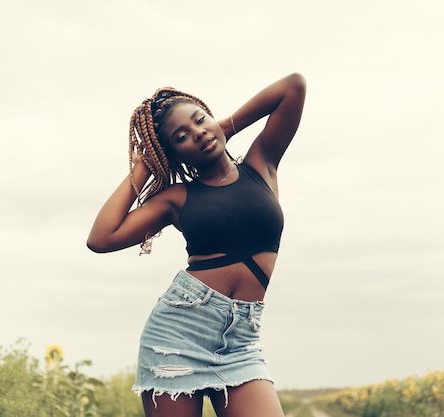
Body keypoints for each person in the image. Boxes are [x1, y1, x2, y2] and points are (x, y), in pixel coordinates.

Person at [87, 72, 306, 417]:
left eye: (199, 120)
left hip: (241, 343)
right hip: (178, 336)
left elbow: (293, 87)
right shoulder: (177, 198)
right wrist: (142, 169)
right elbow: (101, 238)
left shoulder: (261, 163)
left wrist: (223, 128)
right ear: (174, 155)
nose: (198, 133)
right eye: (182, 136)